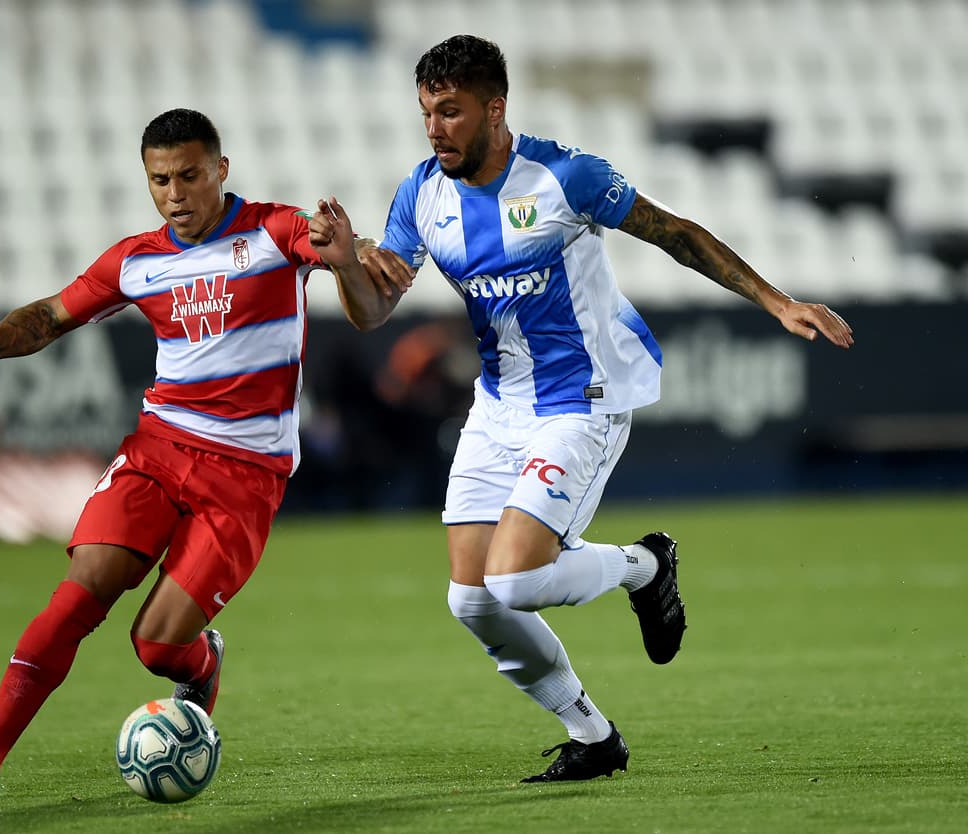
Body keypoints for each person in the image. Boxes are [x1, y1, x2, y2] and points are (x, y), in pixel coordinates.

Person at [313, 34, 854, 783]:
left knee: (513, 582)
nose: (434, 128)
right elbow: (375, 309)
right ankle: (593, 735)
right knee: (471, 600)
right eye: (426, 113)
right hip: (499, 406)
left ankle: (643, 566)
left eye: (450, 112)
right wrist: (345, 264)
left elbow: (677, 235)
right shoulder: (423, 194)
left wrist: (778, 301)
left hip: (583, 400)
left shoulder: (565, 177)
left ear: (494, 109)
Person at [0, 108, 370, 801]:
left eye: (190, 175)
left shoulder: (274, 231)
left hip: (246, 476)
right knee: (79, 593)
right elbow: (50, 314)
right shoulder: (136, 261)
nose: (176, 193)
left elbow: (346, 271)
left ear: (220, 169)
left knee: (156, 646)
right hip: (158, 450)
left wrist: (348, 257)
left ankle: (201, 663)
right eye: (160, 180)